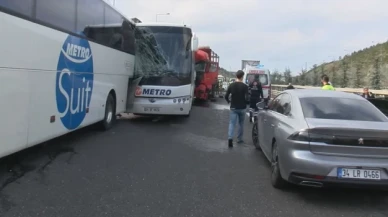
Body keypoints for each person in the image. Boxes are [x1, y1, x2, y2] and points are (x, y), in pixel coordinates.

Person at [225, 70, 249, 147]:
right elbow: (247, 98)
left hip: (233, 107)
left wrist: (228, 101)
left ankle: (230, 138)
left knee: (232, 123)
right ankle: (239, 139)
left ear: (236, 76)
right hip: (242, 108)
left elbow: (226, 95)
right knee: (241, 124)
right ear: (242, 77)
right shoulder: (245, 86)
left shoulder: (231, 85)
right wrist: (246, 103)